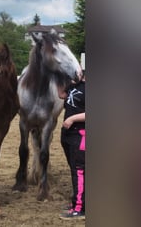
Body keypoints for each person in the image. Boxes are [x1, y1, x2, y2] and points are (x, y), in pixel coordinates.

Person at [59, 71, 85, 218]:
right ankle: (79, 200)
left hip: (81, 134)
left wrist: (73, 118)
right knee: (75, 168)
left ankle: (79, 207)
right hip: (68, 134)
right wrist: (58, 77)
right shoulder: (78, 84)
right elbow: (62, 94)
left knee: (79, 170)